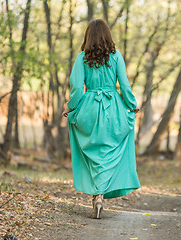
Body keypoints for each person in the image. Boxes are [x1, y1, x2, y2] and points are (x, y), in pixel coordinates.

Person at [62, 19, 140, 219]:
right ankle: (100, 196)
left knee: (93, 152)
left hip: (89, 108)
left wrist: (71, 108)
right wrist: (131, 105)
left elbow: (78, 89)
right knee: (108, 152)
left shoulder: (81, 58)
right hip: (113, 107)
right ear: (108, 35)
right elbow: (124, 84)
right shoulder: (116, 56)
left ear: (88, 36)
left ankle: (97, 194)